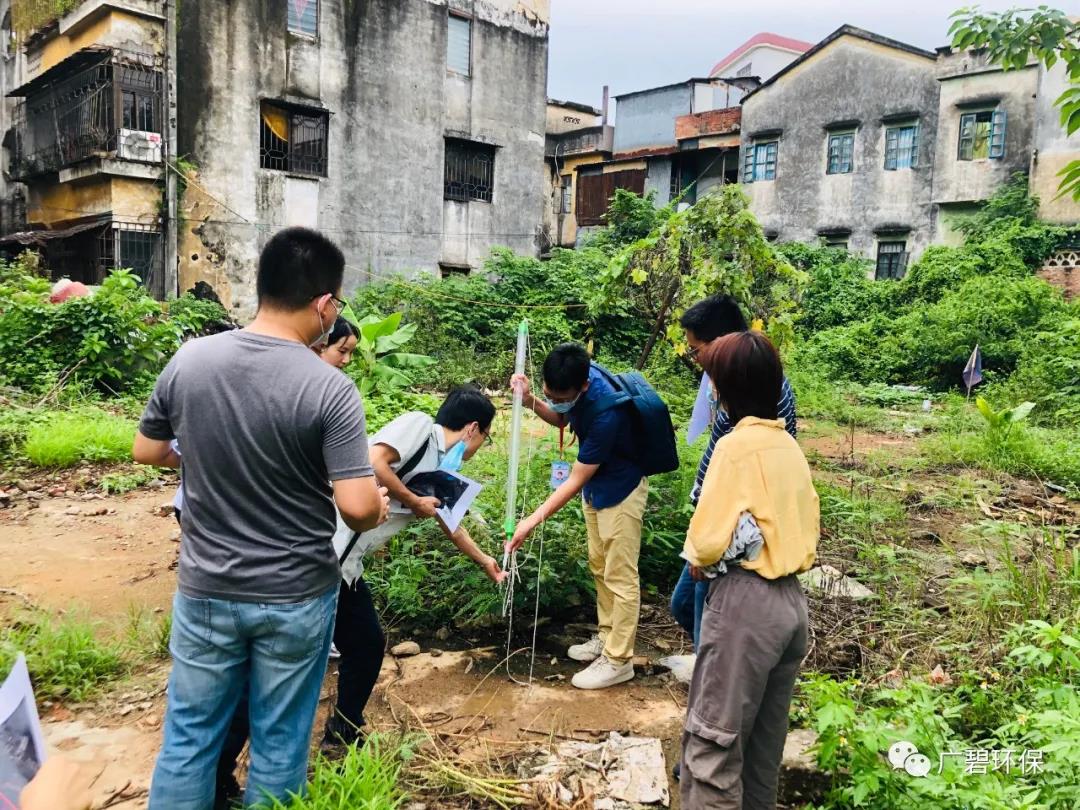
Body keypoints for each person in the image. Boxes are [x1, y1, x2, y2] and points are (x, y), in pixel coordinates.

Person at [134, 227, 391, 810]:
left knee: (188, 737)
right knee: (279, 742)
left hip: (205, 588)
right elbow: (355, 507)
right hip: (294, 595)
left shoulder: (191, 360)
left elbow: (147, 450)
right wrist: (377, 502)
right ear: (325, 304)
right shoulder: (329, 388)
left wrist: (195, 453)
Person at [679, 331, 818, 809]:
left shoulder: (734, 447)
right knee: (762, 748)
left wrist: (699, 560)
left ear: (726, 389)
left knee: (713, 748)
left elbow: (705, 540)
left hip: (746, 607)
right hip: (791, 606)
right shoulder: (789, 446)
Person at [323, 385, 505, 748]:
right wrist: (412, 499)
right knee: (352, 646)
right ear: (472, 428)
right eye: (486, 436)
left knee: (365, 646)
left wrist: (485, 561)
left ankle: (343, 732)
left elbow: (451, 523)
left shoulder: (443, 469)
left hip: (349, 566)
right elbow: (374, 460)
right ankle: (332, 735)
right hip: (328, 552)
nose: (481, 444)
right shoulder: (420, 427)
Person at [509, 344, 647, 690]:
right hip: (597, 487)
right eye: (547, 392)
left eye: (559, 396)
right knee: (599, 565)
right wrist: (530, 400)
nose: (553, 399)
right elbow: (560, 416)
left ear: (583, 388)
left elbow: (575, 478)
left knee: (620, 574)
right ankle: (607, 637)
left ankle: (619, 660)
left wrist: (529, 521)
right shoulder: (576, 376)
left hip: (621, 489)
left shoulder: (606, 415)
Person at [671, 295, 797, 652]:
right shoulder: (732, 385)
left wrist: (707, 548)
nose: (697, 361)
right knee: (684, 605)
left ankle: (708, 675)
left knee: (706, 619)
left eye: (698, 351)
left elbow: (751, 482)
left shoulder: (756, 395)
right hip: (714, 523)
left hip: (729, 535)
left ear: (723, 343)